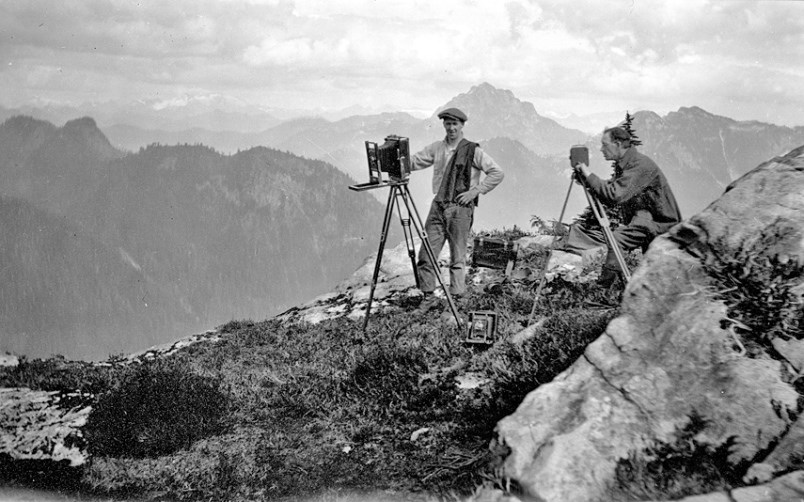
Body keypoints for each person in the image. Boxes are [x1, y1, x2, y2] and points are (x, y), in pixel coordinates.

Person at [410, 107, 504, 311]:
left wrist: (474, 191)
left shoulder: (472, 150)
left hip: (460, 208)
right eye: (448, 123)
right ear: (443, 124)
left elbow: (497, 172)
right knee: (426, 254)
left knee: (457, 256)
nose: (451, 128)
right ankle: (428, 296)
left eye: (455, 124)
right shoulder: (437, 148)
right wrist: (396, 158)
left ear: (462, 126)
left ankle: (457, 298)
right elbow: (415, 161)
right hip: (439, 205)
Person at [566, 125, 682, 286]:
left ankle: (605, 286)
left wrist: (588, 174)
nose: (601, 149)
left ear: (618, 144)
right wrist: (586, 180)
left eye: (605, 145)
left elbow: (614, 195)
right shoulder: (629, 164)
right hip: (646, 219)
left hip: (659, 223)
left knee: (617, 240)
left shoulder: (640, 165)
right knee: (654, 273)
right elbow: (609, 192)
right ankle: (619, 286)